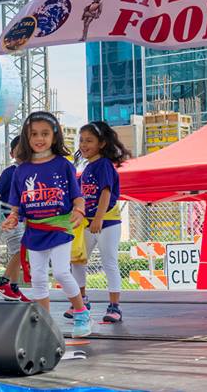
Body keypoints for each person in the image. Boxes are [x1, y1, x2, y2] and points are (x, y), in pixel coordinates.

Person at [1, 111, 91, 338]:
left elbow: (78, 197)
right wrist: (12, 218)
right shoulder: (21, 170)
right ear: (26, 137)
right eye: (34, 134)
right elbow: (16, 206)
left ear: (54, 136)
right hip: (34, 231)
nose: (39, 138)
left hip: (60, 228)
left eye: (45, 133)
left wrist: (79, 210)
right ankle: (45, 322)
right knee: (38, 277)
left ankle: (81, 312)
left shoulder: (63, 165)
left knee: (61, 272)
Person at [68, 121, 131, 323]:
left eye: (89, 141)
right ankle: (81, 301)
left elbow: (106, 192)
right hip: (88, 223)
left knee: (109, 261)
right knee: (78, 260)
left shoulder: (103, 165)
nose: (83, 145)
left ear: (102, 143)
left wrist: (98, 218)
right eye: (81, 140)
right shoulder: (87, 168)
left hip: (107, 222)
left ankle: (115, 307)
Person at [0, 135, 29, 302]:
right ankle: (3, 283)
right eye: (19, 149)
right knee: (19, 251)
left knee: (18, 252)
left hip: (21, 219)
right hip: (9, 218)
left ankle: (13, 288)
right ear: (12, 153)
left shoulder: (29, 172)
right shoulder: (10, 172)